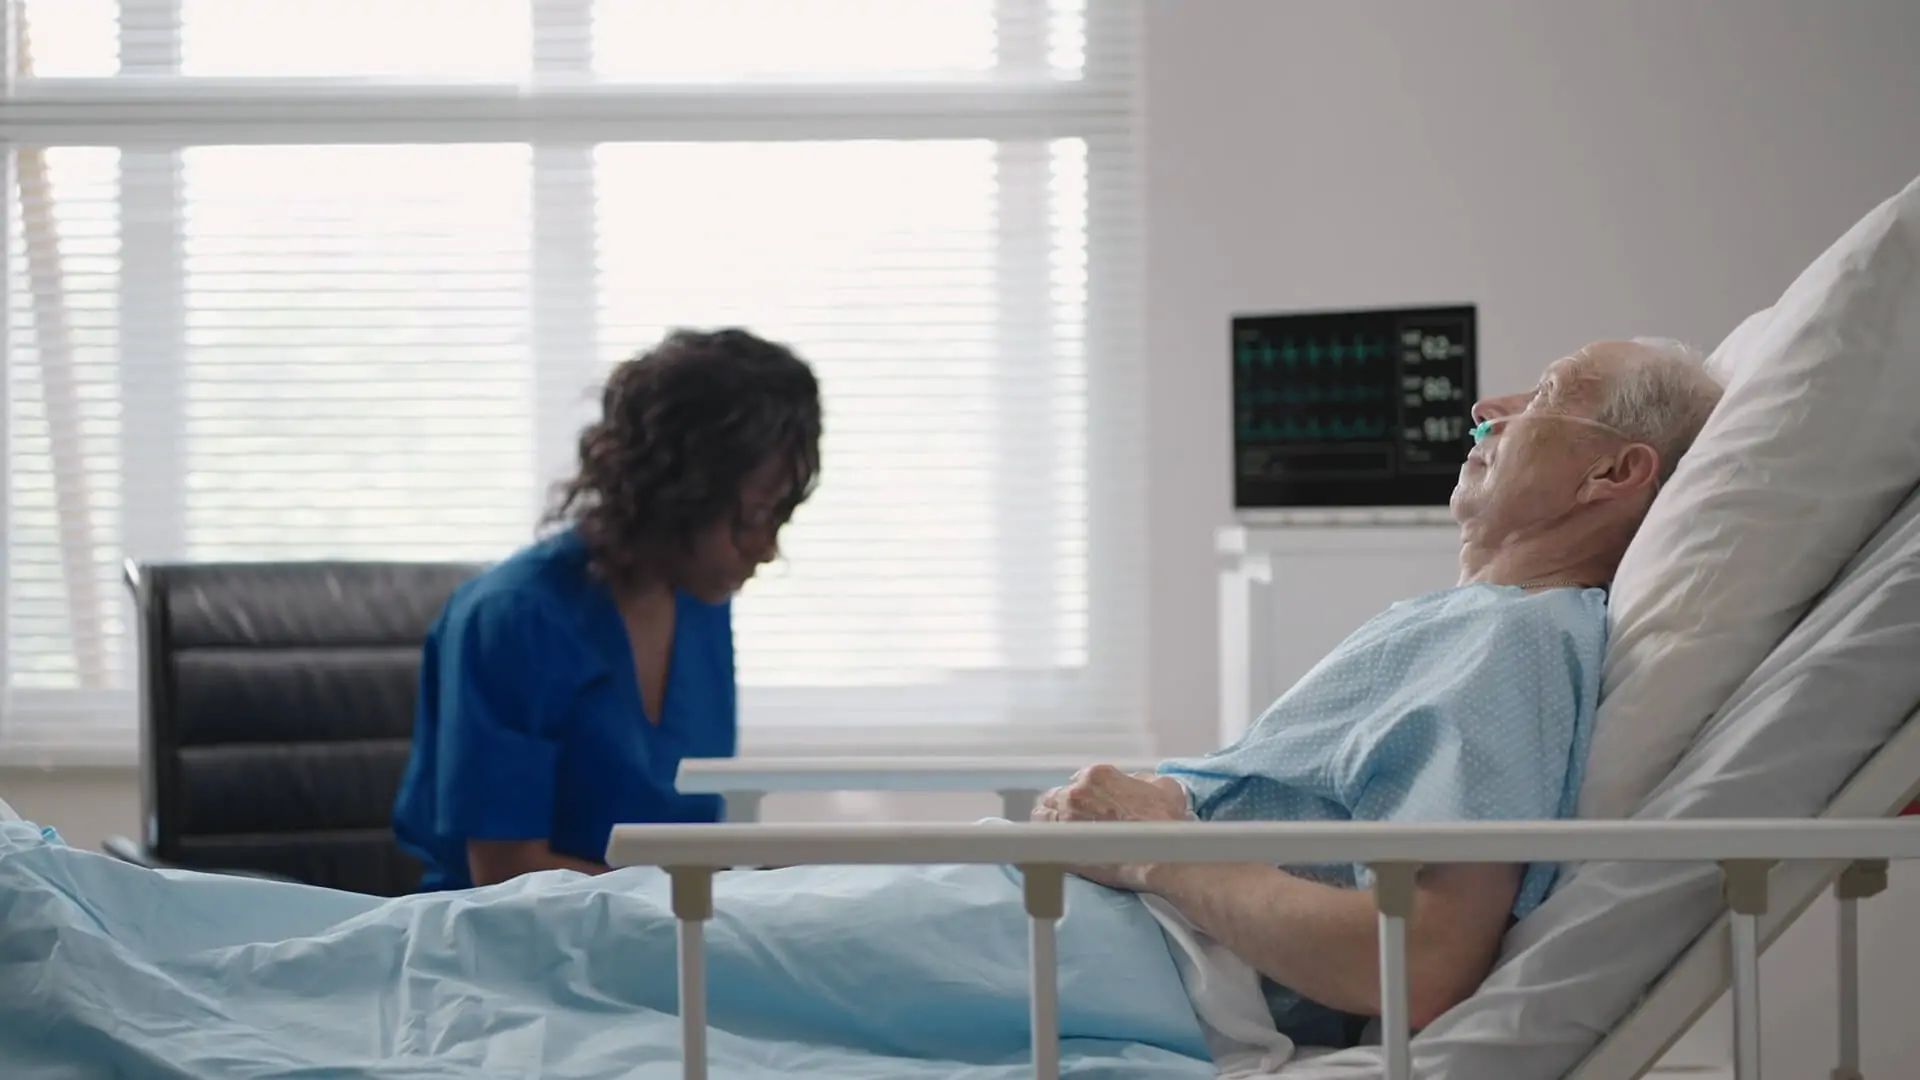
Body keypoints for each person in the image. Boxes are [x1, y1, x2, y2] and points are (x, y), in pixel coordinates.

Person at [1031, 337, 1725, 1045]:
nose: (1488, 409)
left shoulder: (1516, 639)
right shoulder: (1463, 623)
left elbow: (1421, 960)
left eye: (1547, 395)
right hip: (1099, 930)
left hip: (1137, 953)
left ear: (1612, 471)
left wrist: (1155, 848)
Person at [391, 327, 823, 890]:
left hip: (662, 935)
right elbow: (505, 875)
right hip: (509, 948)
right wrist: (715, 905)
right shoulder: (513, 619)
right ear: (677, 493)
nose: (766, 551)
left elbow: (687, 849)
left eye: (778, 519)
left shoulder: (699, 603)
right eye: (750, 521)